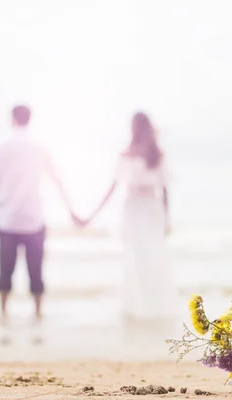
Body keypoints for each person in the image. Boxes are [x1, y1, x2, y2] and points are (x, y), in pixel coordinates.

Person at [80, 112, 173, 321]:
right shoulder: (152, 155)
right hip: (146, 207)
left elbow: (113, 189)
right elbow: (164, 190)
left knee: (140, 257)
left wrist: (91, 216)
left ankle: (144, 306)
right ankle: (146, 305)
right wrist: (167, 219)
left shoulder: (144, 154)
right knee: (146, 256)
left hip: (140, 207)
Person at [0, 105, 74, 323]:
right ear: (30, 119)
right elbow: (57, 179)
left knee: (5, 270)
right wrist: (71, 210)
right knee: (35, 270)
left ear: (12, 119)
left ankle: (3, 313)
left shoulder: (2, 148)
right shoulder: (40, 147)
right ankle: (37, 314)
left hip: (7, 219)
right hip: (33, 219)